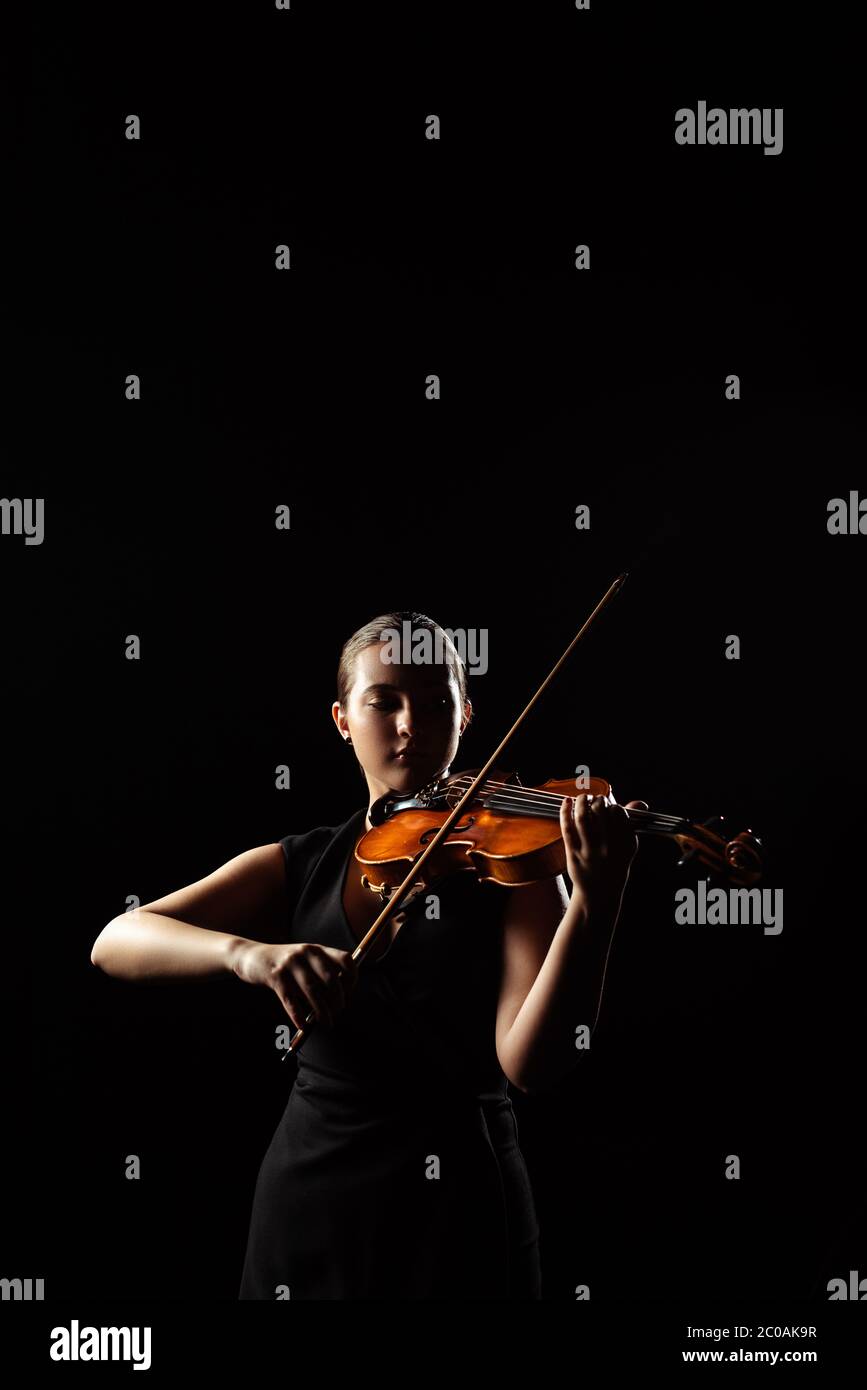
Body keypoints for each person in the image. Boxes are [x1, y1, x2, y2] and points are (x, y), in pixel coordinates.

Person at [90, 610, 647, 1299]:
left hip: (457, 1206)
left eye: (436, 701)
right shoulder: (302, 861)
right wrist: (248, 956)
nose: (410, 724)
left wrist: (594, 904)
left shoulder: (516, 868)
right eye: (383, 700)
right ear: (342, 719)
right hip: (308, 1196)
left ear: (466, 717)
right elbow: (116, 940)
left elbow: (531, 1064)